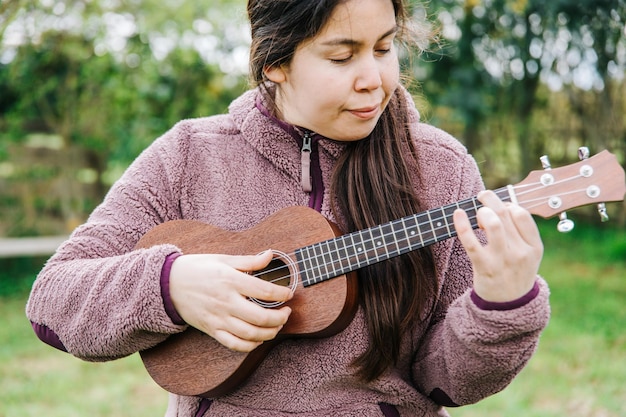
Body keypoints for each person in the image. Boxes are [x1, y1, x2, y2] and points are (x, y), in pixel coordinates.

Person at [26, 0, 550, 416]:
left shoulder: (443, 169)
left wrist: (501, 306)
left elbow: (447, 383)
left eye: (385, 48)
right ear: (274, 62)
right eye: (342, 56)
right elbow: (53, 304)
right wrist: (170, 286)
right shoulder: (189, 155)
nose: (374, 79)